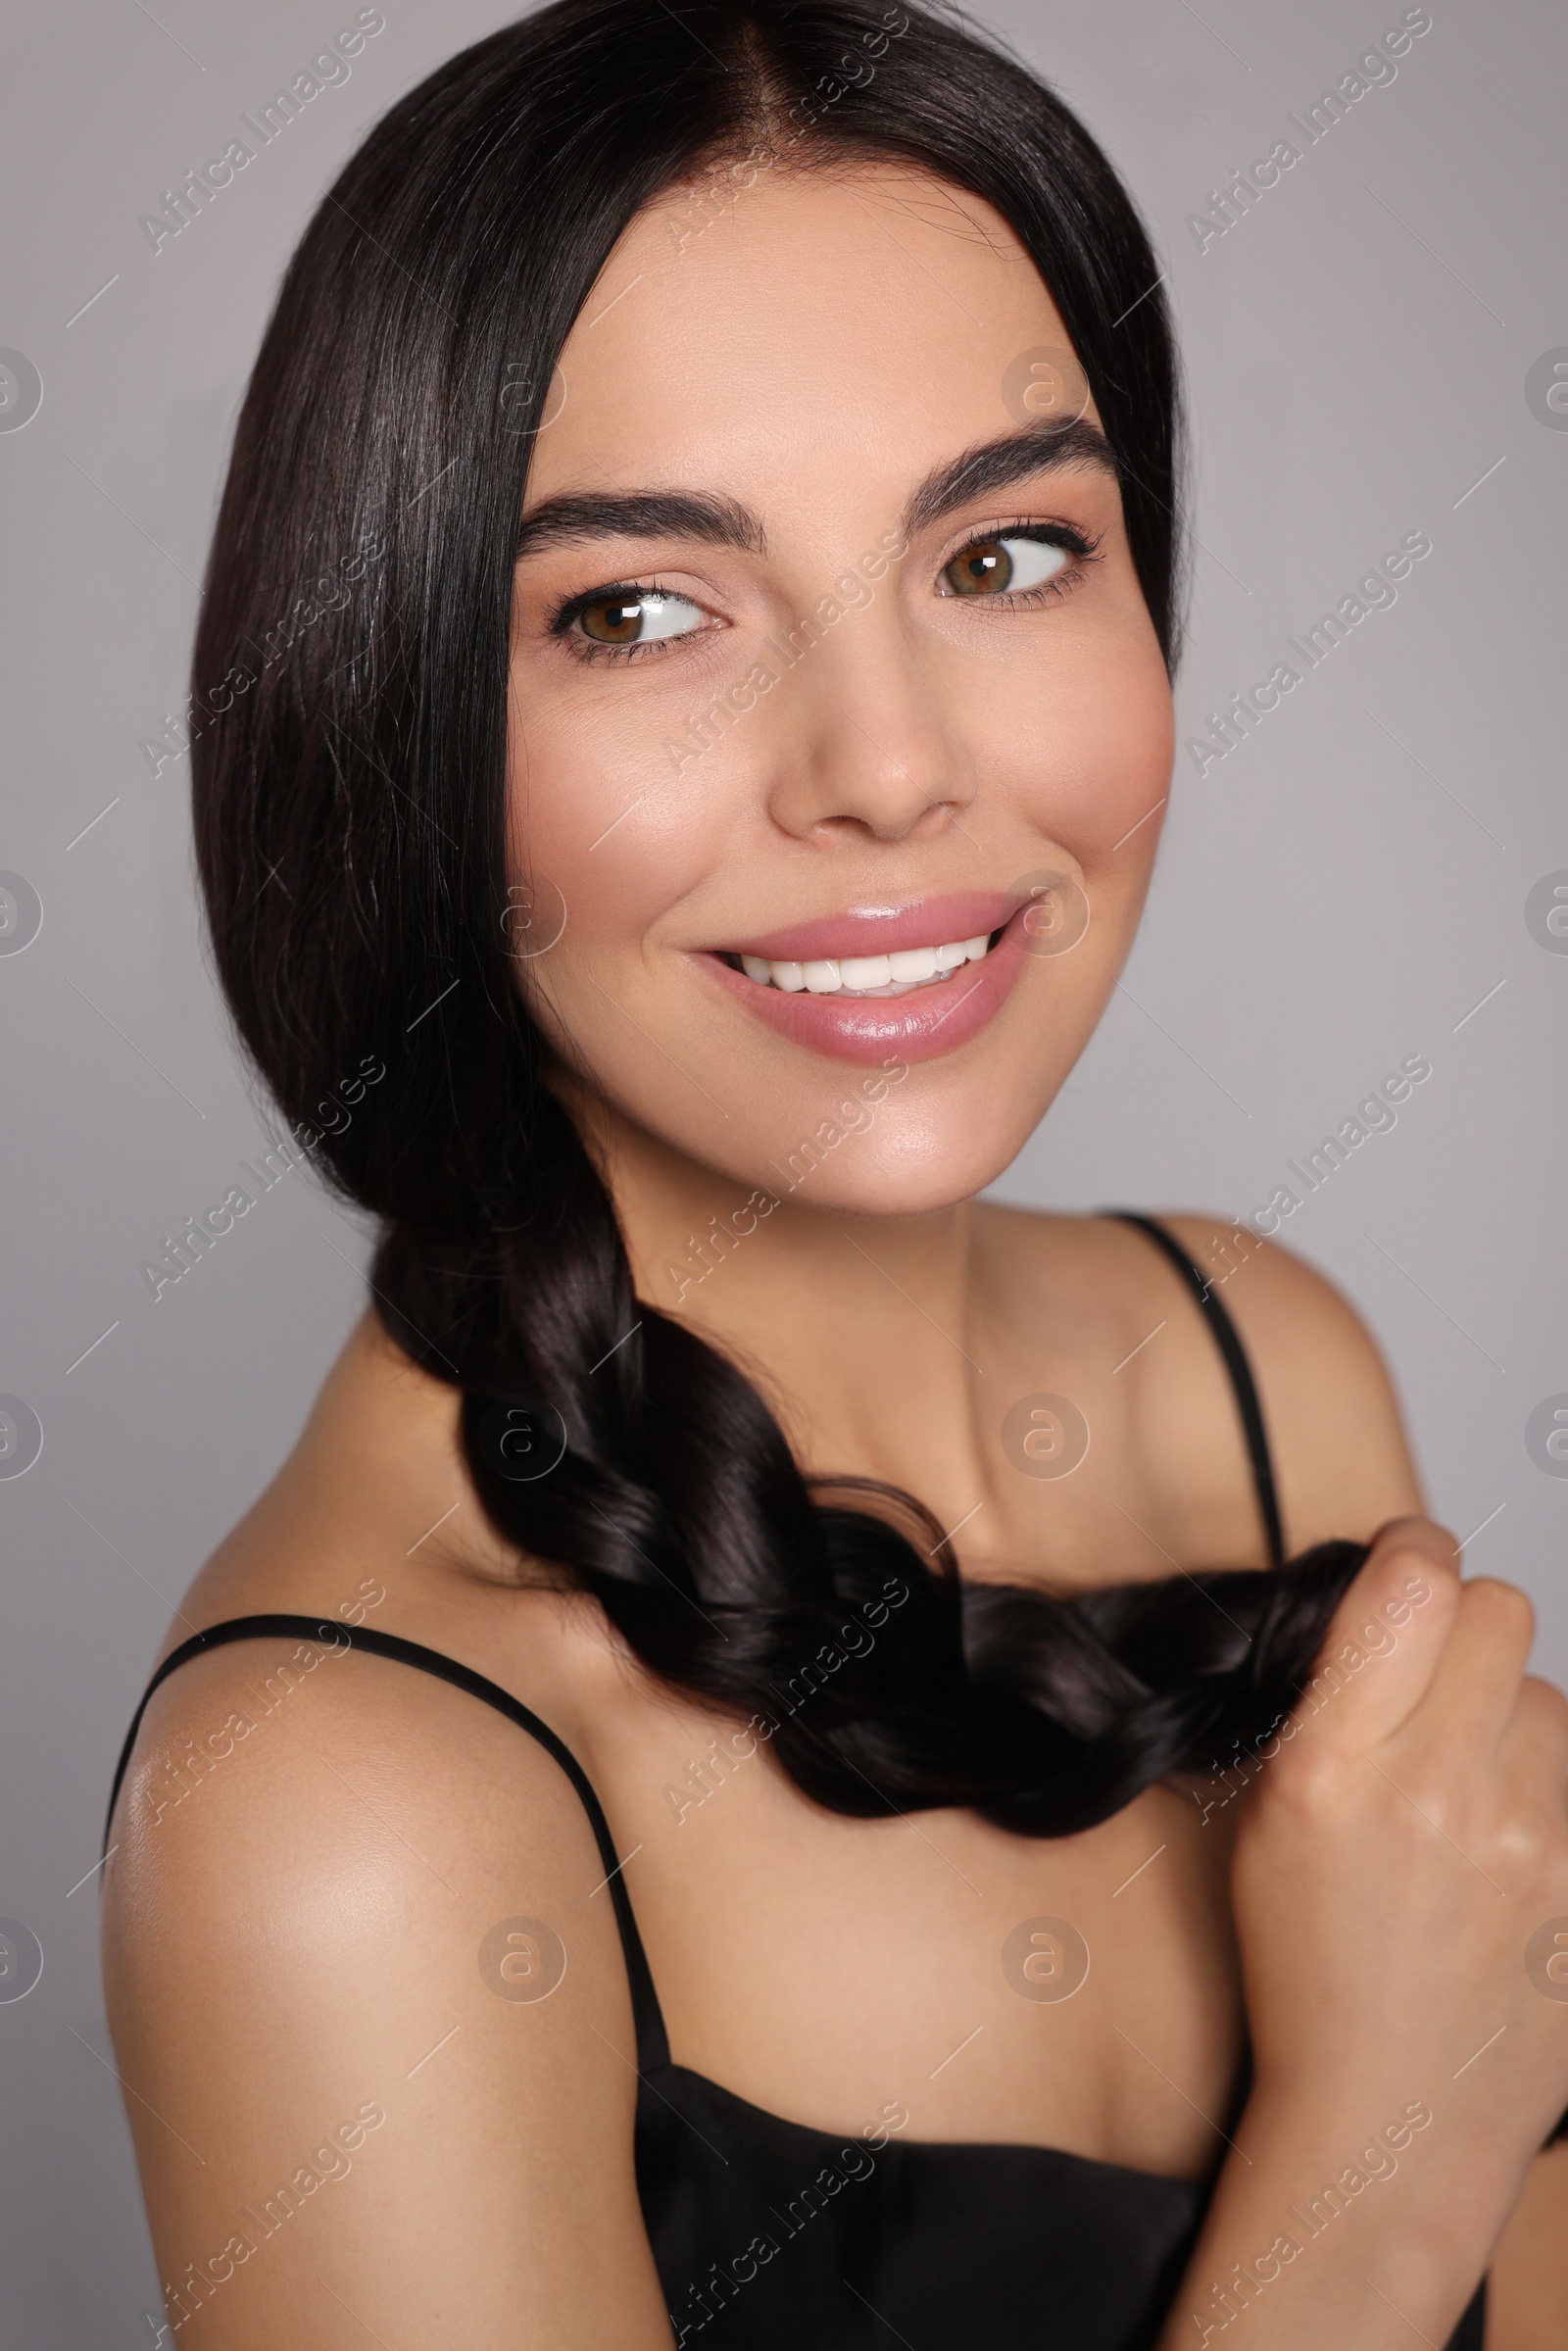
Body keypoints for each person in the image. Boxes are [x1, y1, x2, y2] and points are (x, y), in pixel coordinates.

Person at [100, 2, 1568, 2343]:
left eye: (999, 555)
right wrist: (1379, 2156)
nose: (884, 770)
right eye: (641, 611)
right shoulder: (337, 1813)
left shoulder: (1259, 1373)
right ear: (389, 723)